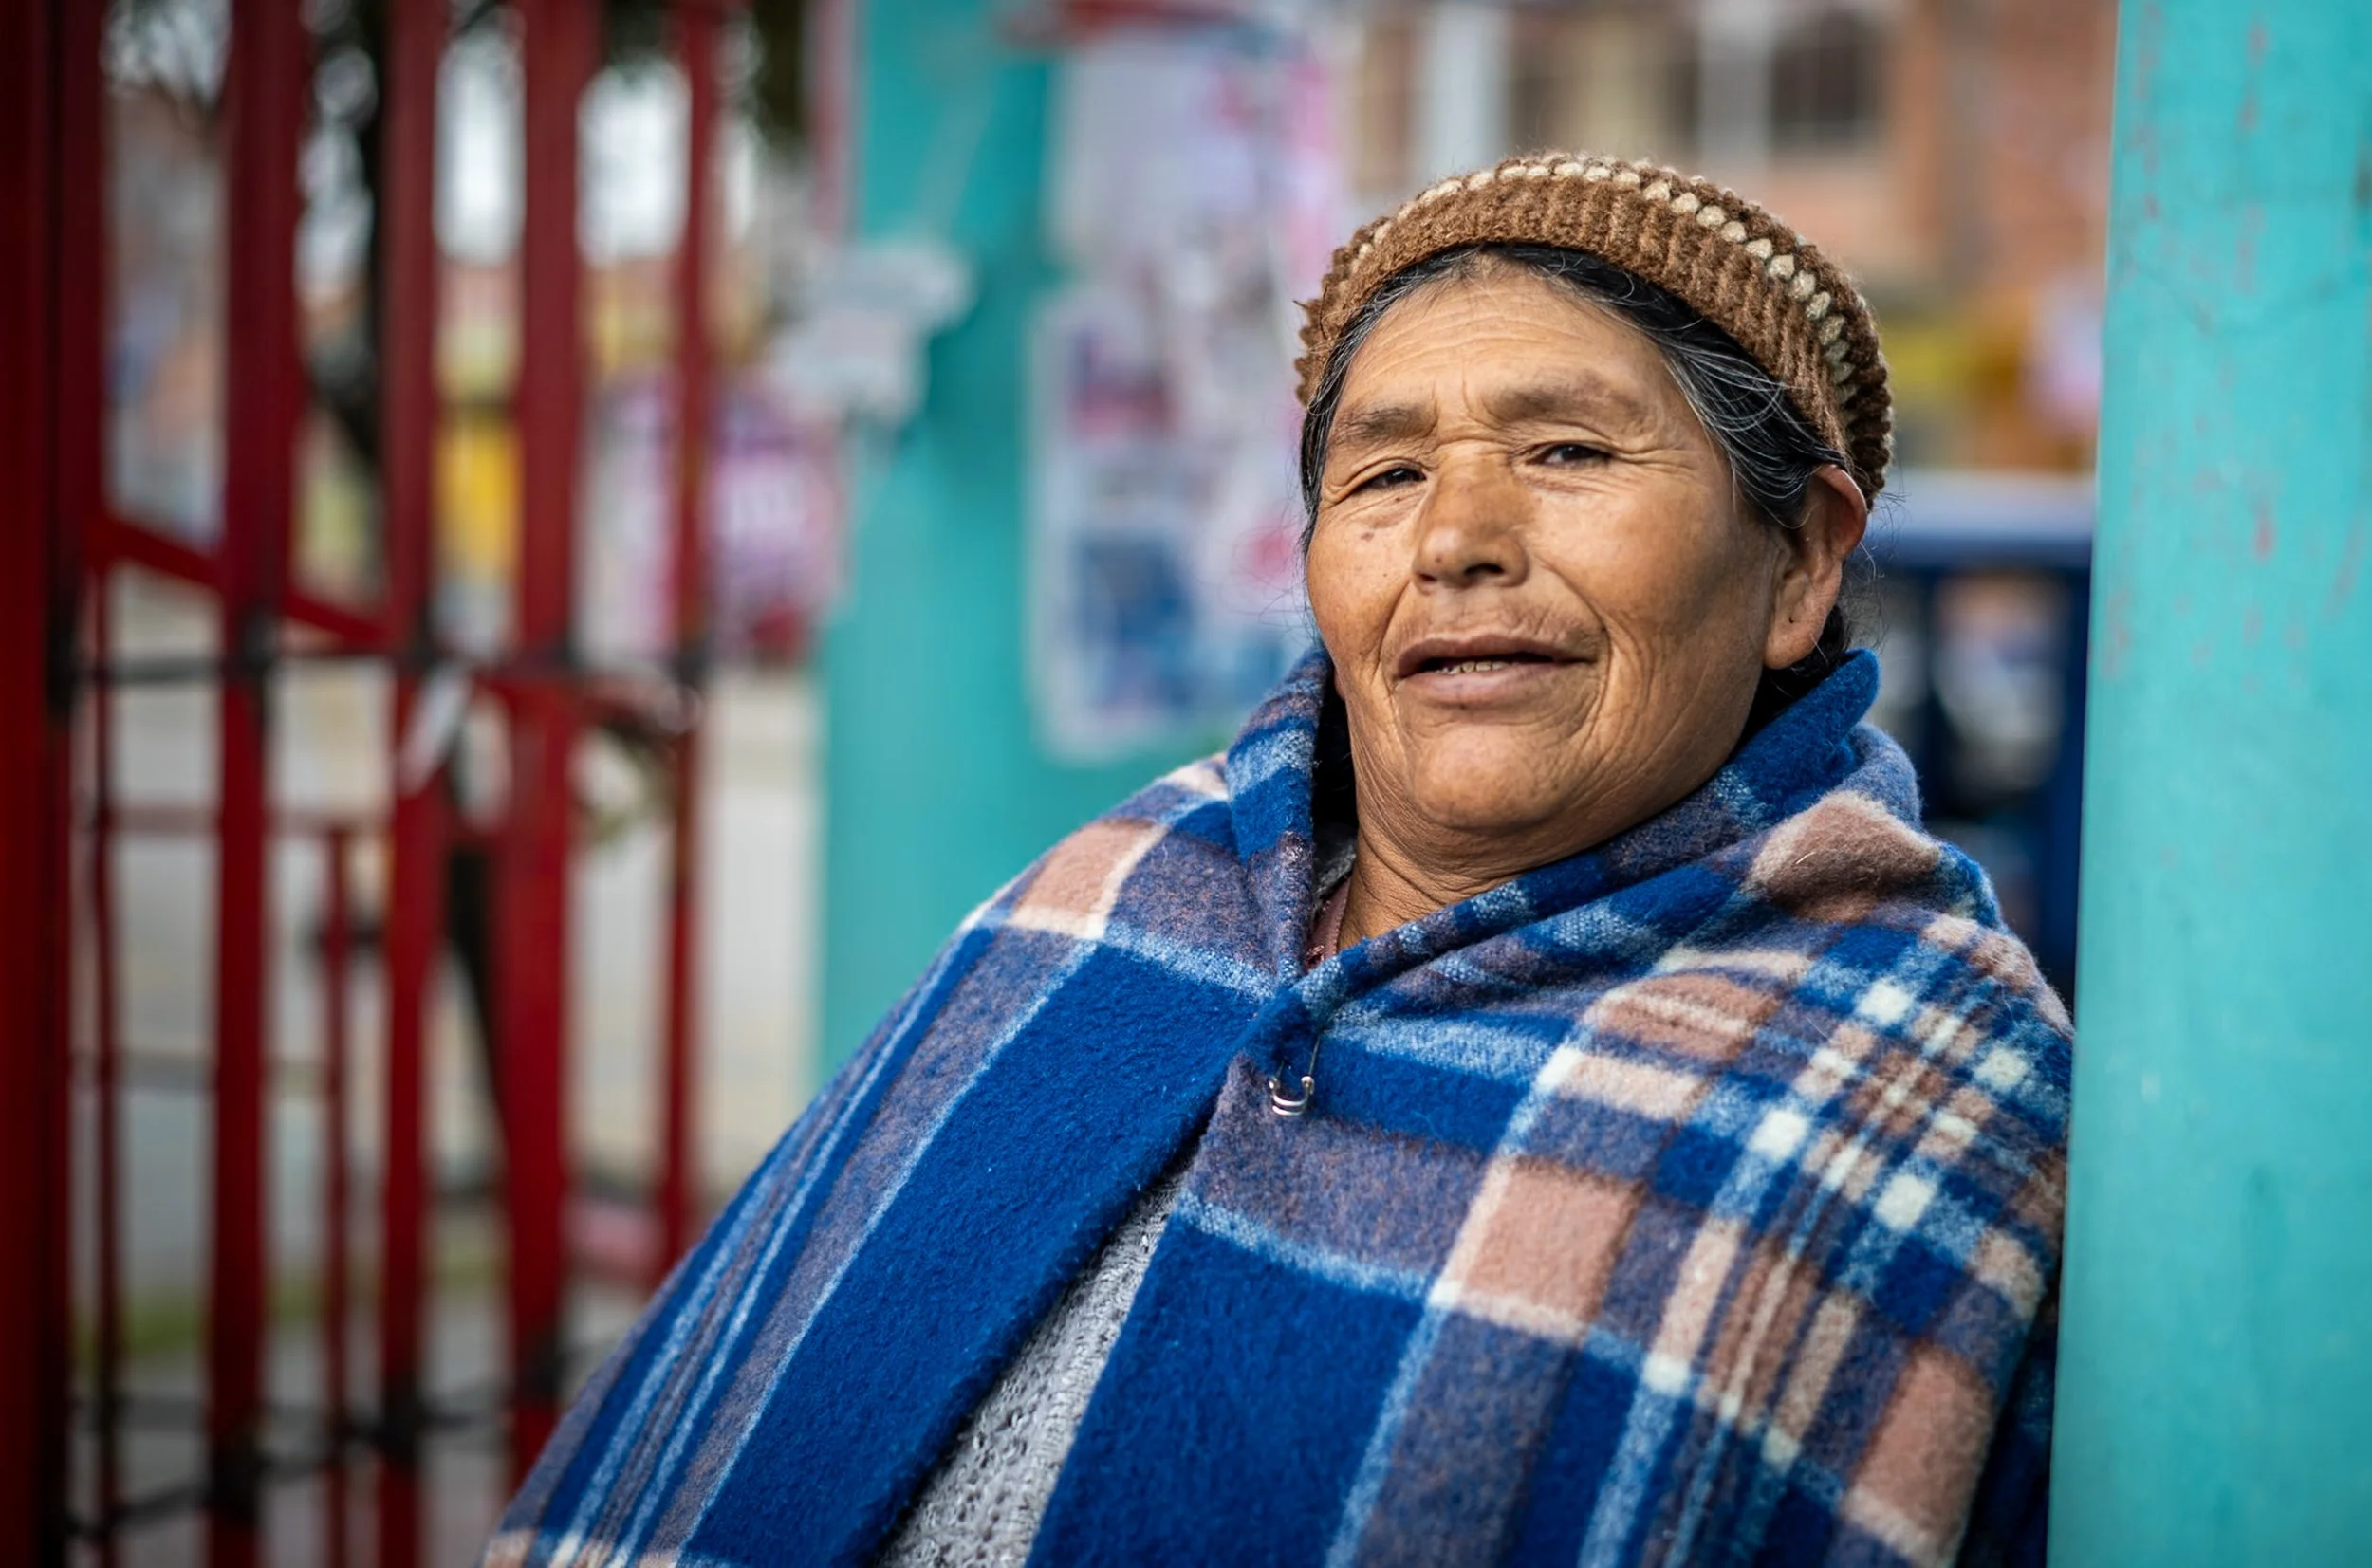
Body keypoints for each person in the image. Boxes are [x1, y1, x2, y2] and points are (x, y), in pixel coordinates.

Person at [486, 155, 2069, 1567]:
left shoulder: (1927, 1082)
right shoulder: (1117, 892)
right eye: (1383, 476)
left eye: (1570, 453)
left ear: (1798, 564)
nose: (1454, 539)